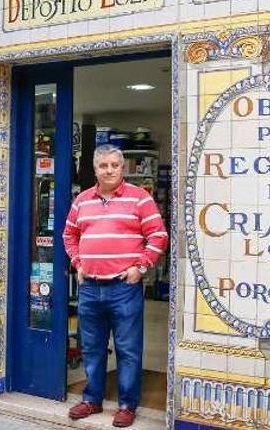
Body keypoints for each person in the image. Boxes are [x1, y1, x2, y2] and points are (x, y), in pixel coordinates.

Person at [63, 144, 168, 428]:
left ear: (122, 168)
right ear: (95, 169)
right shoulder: (81, 200)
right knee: (93, 347)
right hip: (89, 287)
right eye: (103, 166)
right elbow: (68, 234)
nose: (109, 170)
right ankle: (92, 399)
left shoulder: (140, 198)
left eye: (114, 165)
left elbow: (158, 235)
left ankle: (126, 405)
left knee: (128, 349)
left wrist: (141, 267)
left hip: (124, 287)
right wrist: (78, 263)